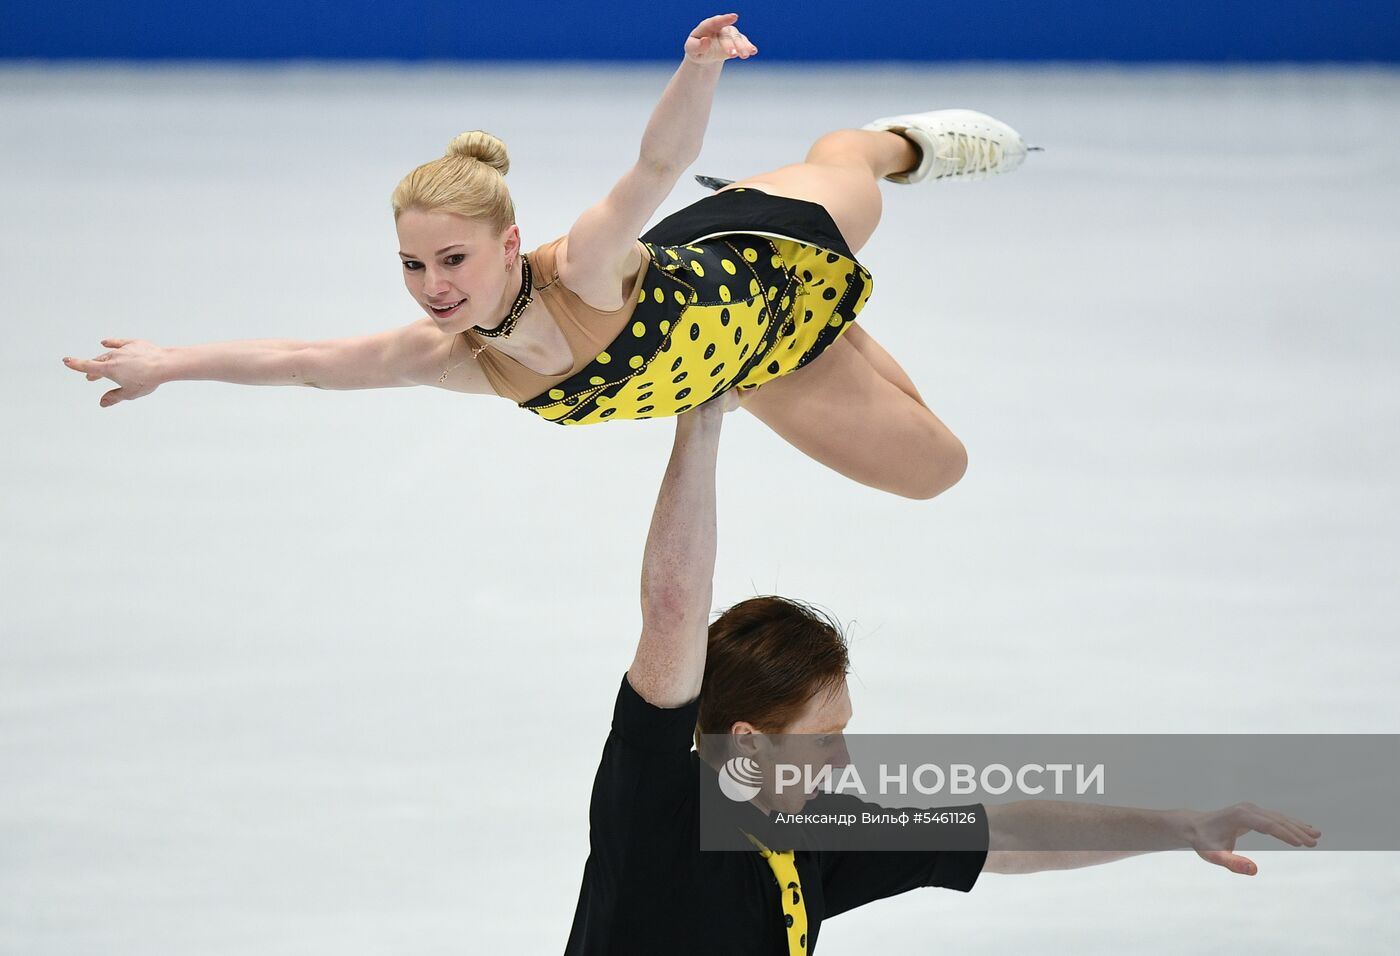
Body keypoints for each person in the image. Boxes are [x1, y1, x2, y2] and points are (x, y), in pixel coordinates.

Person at [62, 13, 1033, 499]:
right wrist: (168, 362)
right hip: (764, 358)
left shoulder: (586, 266)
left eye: (452, 259)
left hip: (763, 248)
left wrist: (696, 67)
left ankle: (901, 138)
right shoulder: (448, 358)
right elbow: (305, 363)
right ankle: (839, 326)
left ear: (509, 245)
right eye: (414, 266)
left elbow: (659, 163)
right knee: (934, 469)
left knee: (847, 160)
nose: (433, 287)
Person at [569, 396, 1321, 955]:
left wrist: (1178, 826)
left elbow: (1006, 830)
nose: (843, 761)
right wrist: (702, 421)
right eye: (825, 739)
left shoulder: (812, 831)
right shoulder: (657, 811)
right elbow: (672, 609)